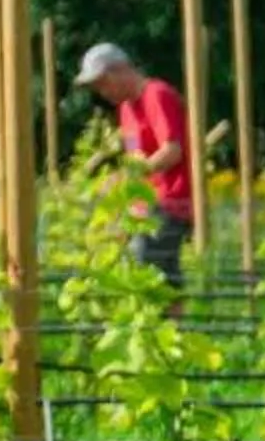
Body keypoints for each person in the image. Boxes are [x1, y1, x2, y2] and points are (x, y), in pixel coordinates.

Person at [77, 42, 192, 285]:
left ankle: (162, 321)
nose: (102, 92)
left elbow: (172, 151)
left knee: (144, 266)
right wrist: (121, 187)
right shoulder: (125, 110)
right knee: (156, 272)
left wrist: (130, 176)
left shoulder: (157, 95)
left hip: (170, 199)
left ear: (121, 69)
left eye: (103, 82)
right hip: (145, 202)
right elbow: (135, 159)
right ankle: (170, 321)